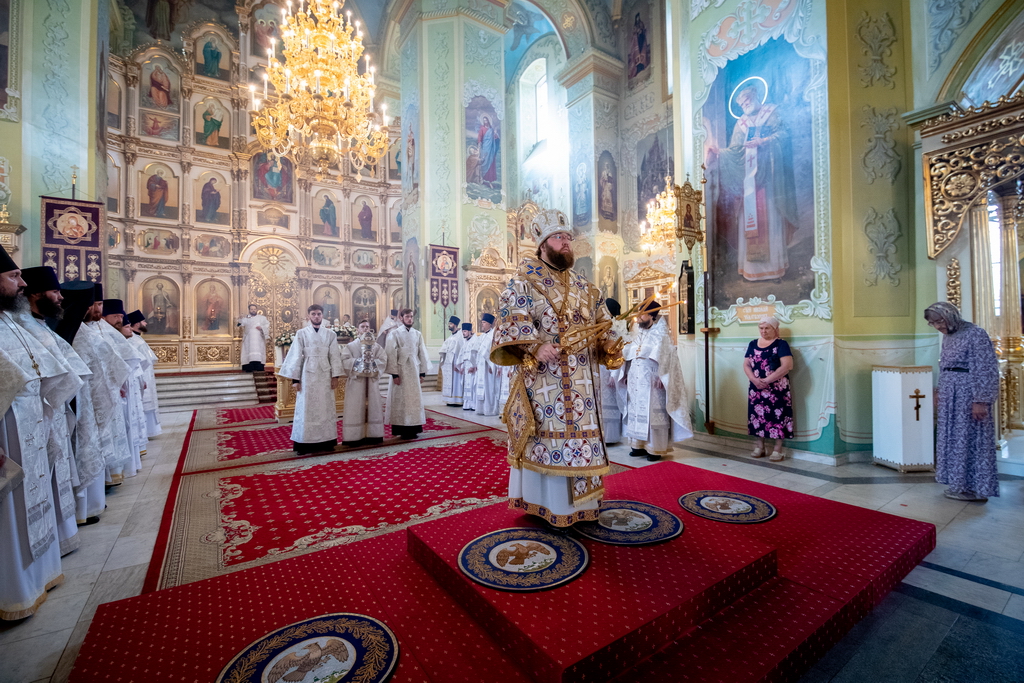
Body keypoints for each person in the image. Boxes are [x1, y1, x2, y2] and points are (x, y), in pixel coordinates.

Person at [491, 209, 621, 529]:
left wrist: (610, 343)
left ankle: (585, 506)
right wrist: (535, 345)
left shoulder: (584, 285)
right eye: (559, 238)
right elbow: (511, 319)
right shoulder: (524, 279)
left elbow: (602, 323)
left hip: (583, 382)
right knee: (550, 441)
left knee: (582, 439)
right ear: (542, 244)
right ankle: (549, 505)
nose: (567, 243)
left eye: (568, 238)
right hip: (544, 380)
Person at [0, 246, 71, 620]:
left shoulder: (12, 321)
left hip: (28, 422)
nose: (22, 282)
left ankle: (39, 574)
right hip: (7, 432)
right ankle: (14, 591)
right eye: (13, 277)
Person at [925, 302, 1000, 501]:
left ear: (951, 316)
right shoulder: (948, 336)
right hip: (951, 394)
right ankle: (959, 484)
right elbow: (945, 366)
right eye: (933, 323)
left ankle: (976, 488)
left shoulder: (976, 334)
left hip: (968, 394)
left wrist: (981, 401)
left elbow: (986, 368)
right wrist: (939, 390)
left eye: (940, 321)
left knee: (970, 438)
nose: (938, 326)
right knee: (953, 438)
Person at [622, 300, 692, 461]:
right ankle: (638, 445)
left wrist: (663, 375)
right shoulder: (636, 332)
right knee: (636, 411)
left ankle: (655, 448)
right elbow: (628, 353)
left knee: (652, 415)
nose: (638, 317)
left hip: (653, 380)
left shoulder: (661, 333)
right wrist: (625, 373)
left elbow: (668, 359)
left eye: (642, 314)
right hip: (635, 379)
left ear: (652, 315)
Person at [278, 304, 344, 454]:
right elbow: (295, 356)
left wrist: (335, 376)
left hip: (325, 375)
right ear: (308, 316)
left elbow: (334, 356)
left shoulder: (330, 334)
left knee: (325, 408)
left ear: (322, 316)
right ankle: (304, 443)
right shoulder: (301, 334)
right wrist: (295, 380)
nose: (316, 316)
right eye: (313, 314)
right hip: (307, 375)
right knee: (306, 408)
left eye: (319, 314)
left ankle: (326, 441)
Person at [99, 300, 148, 471]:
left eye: (121, 316)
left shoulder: (113, 336)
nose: (120, 320)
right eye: (116, 316)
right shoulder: (99, 334)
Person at [744, 316, 794, 461]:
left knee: (778, 417)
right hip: (756, 388)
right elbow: (746, 364)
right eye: (761, 328)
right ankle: (759, 446)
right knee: (757, 417)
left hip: (777, 389)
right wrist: (754, 379)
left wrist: (767, 381)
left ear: (775, 329)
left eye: (767, 328)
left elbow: (787, 366)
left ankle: (778, 449)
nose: (763, 331)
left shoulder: (781, 344)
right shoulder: (753, 344)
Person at [384, 308, 430, 439]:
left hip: (414, 370)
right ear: (401, 318)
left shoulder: (417, 334)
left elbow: (422, 352)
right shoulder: (395, 334)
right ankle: (401, 428)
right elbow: (391, 353)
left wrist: (422, 373)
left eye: (411, 317)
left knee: (413, 399)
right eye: (407, 317)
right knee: (401, 399)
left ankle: (414, 428)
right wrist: (394, 374)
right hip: (401, 370)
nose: (410, 319)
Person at [340, 320, 387, 446]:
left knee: (374, 407)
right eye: (362, 326)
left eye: (367, 327)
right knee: (355, 407)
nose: (365, 329)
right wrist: (360, 363)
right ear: (358, 329)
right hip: (356, 383)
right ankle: (354, 437)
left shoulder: (377, 347)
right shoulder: (351, 346)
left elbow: (383, 360)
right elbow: (344, 360)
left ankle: (374, 435)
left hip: (371, 383)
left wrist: (372, 364)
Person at [126, 310, 162, 437]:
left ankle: (149, 431)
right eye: (143, 321)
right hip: (141, 377)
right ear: (136, 324)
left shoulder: (137, 339)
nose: (146, 323)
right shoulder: (134, 340)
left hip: (145, 376)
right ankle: (146, 432)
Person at [600, 298, 628, 444]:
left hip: (611, 371)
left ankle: (611, 436)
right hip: (600, 370)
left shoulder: (617, 327)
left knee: (611, 404)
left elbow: (620, 352)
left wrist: (614, 374)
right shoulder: (603, 325)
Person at [472, 313, 501, 416]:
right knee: (482, 388)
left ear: (490, 324)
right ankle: (481, 409)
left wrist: (492, 365)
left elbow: (493, 352)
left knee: (489, 389)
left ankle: (490, 410)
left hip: (489, 367)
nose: (482, 325)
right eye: (481, 322)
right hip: (481, 367)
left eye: (484, 323)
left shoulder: (493, 334)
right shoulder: (483, 336)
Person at [439, 316, 464, 406]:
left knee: (456, 381)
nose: (449, 325)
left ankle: (456, 400)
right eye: (449, 324)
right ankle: (449, 399)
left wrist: (458, 364)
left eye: (450, 324)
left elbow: (460, 350)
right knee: (449, 381)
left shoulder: (460, 336)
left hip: (456, 363)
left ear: (455, 325)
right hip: (448, 363)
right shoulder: (451, 337)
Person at [238, 304, 270, 372]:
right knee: (249, 352)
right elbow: (239, 324)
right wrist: (240, 319)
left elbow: (267, 325)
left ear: (256, 310)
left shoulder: (262, 318)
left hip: (259, 339)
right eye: (251, 309)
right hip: (248, 339)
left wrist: (261, 328)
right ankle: (249, 367)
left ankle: (259, 367)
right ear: (249, 310)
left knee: (258, 352)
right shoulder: (246, 319)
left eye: (254, 309)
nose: (253, 310)